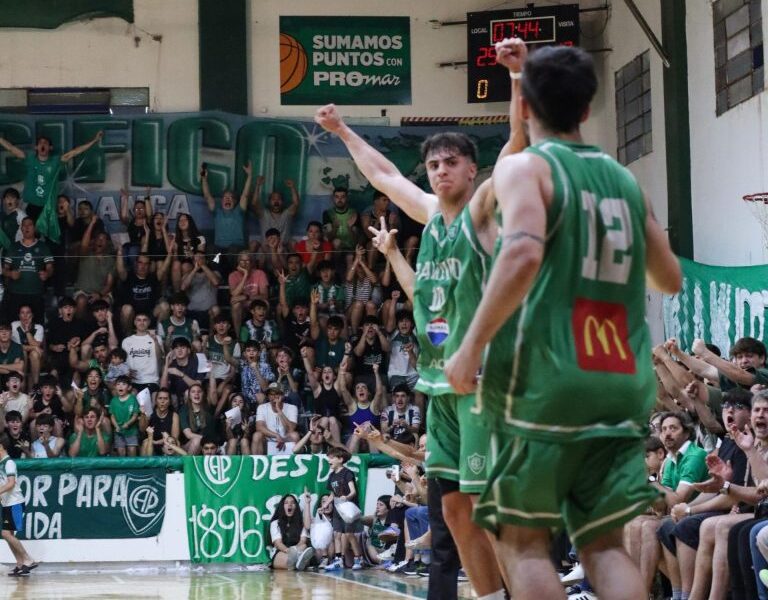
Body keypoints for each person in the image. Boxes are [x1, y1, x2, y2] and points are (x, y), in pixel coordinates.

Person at [441, 45, 682, 600]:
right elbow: (668, 278)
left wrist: (470, 345)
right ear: (589, 105)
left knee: (523, 542)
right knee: (604, 545)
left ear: (524, 104)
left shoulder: (528, 167)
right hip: (620, 378)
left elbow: (523, 252)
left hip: (549, 377)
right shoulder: (623, 178)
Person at [316, 36, 528, 600]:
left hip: (482, 385)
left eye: (450, 162)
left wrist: (516, 79)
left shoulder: (483, 210)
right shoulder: (430, 217)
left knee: (486, 508)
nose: (439, 171)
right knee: (455, 510)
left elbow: (516, 146)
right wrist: (342, 132)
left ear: (471, 168)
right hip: (439, 387)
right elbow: (383, 175)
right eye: (432, 163)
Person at [0, 131, 102, 222]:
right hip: (31, 205)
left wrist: (94, 141)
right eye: (40, 143)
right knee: (31, 237)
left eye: (45, 143)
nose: (42, 145)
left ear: (50, 148)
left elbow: (75, 152)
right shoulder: (30, 159)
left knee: (50, 239)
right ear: (36, 147)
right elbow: (11, 148)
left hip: (48, 207)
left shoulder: (56, 162)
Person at [2, 216, 53, 321]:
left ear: (34, 228)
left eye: (29, 225)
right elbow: (4, 269)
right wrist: (11, 274)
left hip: (36, 293)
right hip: (16, 293)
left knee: (37, 324)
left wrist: (47, 274)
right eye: (24, 225)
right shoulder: (14, 247)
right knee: (14, 324)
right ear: (21, 229)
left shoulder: (43, 247)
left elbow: (50, 267)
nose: (26, 227)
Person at [0, 440, 37, 576]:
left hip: (15, 503)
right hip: (8, 503)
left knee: (5, 534)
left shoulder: (9, 463)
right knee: (9, 535)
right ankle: (20, 563)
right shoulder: (2, 464)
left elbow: (10, 484)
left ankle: (28, 559)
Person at [325, 446, 364, 571]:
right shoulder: (331, 476)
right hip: (337, 508)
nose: (329, 460)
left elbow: (353, 491)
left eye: (332, 458)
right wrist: (325, 505)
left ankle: (359, 558)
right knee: (336, 534)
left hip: (348, 509)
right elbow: (332, 494)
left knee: (349, 534)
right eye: (328, 458)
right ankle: (338, 560)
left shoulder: (347, 473)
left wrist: (346, 497)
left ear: (340, 459)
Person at [269, 493, 315, 571]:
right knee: (290, 560)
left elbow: (303, 540)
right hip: (282, 551)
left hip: (298, 550)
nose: (289, 505)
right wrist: (290, 552)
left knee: (304, 546)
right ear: (282, 507)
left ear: (296, 507)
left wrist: (295, 550)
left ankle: (297, 562)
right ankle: (298, 563)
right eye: (286, 503)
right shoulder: (275, 523)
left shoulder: (301, 523)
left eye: (292, 503)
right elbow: (278, 543)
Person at [253, 176, 300, 244]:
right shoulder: (264, 214)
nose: (276, 201)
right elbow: (254, 203)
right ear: (269, 202)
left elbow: (296, 203)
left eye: (279, 199)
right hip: (266, 249)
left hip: (282, 249)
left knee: (293, 243)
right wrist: (257, 185)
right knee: (253, 243)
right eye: (273, 199)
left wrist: (292, 187)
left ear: (283, 202)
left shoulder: (287, 214)